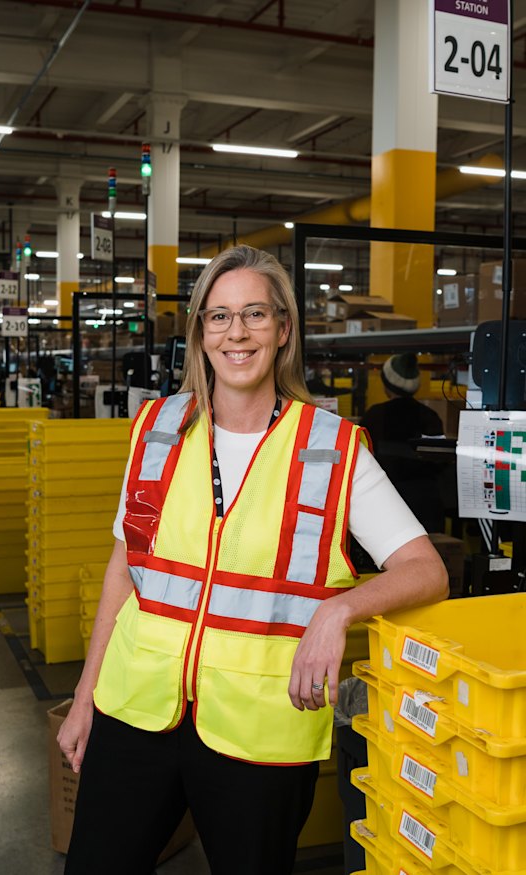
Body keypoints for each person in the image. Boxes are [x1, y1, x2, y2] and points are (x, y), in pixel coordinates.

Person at [58, 245, 448, 875]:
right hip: (135, 709)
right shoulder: (157, 429)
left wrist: (338, 611)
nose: (235, 333)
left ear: (283, 329)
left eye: (254, 314)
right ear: (200, 332)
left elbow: (427, 571)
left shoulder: (332, 449)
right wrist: (84, 696)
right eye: (218, 316)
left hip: (260, 735)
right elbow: (125, 567)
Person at [360, 352, 446, 533]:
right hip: (426, 504)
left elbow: (362, 460)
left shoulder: (374, 415)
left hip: (386, 502)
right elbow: (439, 461)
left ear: (387, 384)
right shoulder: (430, 416)